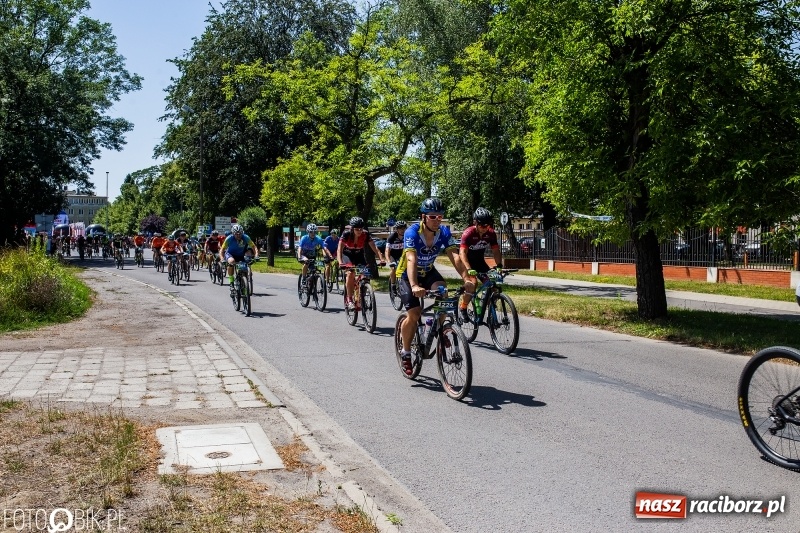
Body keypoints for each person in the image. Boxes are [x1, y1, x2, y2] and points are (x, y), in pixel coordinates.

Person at [395, 197, 467, 376]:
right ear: (423, 217)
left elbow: (455, 256)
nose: (437, 220)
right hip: (407, 274)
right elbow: (411, 259)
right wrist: (413, 285)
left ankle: (438, 328)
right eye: (433, 216)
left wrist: (467, 278)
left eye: (440, 217)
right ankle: (405, 353)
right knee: (414, 313)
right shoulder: (412, 232)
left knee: (443, 292)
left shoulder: (443, 232)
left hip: (427, 271)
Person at [458, 207, 503, 322]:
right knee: (473, 284)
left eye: (488, 226)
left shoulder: (491, 233)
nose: (485, 229)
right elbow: (462, 253)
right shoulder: (468, 233)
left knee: (493, 286)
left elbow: (496, 251)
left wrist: (499, 265)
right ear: (475, 223)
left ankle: (486, 306)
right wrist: (468, 269)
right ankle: (463, 307)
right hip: (467, 263)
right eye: (482, 226)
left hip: (480, 262)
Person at [337, 217, 385, 309]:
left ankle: (362, 294)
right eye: (356, 229)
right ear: (352, 228)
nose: (359, 231)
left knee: (365, 274)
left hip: (359, 254)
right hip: (347, 254)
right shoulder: (346, 234)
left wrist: (382, 259)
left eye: (361, 229)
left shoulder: (365, 234)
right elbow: (339, 249)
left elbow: (375, 248)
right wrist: (340, 262)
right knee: (350, 273)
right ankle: (349, 299)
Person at [219, 224, 259, 295]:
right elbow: (222, 250)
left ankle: (244, 283)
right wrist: (222, 259)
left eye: (240, 234)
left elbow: (254, 247)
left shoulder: (246, 237)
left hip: (240, 255)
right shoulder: (229, 238)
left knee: (245, 269)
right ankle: (231, 282)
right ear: (233, 233)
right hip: (230, 254)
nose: (238, 235)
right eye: (236, 234)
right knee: (231, 262)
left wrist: (256, 255)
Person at [384, 220, 407, 291]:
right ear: (397, 229)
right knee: (394, 269)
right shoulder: (392, 237)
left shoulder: (407, 236)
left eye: (404, 228)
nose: (402, 230)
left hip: (402, 255)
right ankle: (393, 285)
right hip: (393, 256)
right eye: (400, 228)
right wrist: (389, 261)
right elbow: (387, 251)